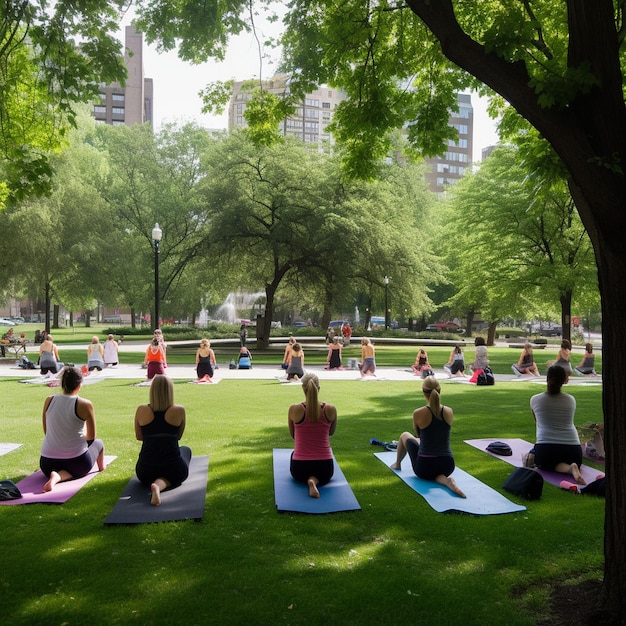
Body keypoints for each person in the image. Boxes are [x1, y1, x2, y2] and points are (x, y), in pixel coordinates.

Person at [390, 376, 466, 498]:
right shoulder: (449, 411)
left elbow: (419, 436)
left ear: (423, 392)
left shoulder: (418, 413)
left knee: (405, 435)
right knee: (437, 474)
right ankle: (447, 481)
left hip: (425, 467)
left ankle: (397, 464)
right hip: (447, 465)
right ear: (439, 390)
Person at [39, 367, 105, 492]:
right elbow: (91, 437)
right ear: (79, 385)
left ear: (62, 384)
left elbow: (47, 431)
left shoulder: (49, 400)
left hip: (47, 464)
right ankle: (101, 467)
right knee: (99, 443)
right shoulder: (85, 404)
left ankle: (56, 476)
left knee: (62, 467)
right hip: (77, 463)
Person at [134, 374, 192, 506]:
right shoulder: (179, 410)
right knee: (185, 450)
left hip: (145, 470)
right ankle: (158, 486)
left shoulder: (142, 410)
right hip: (173, 468)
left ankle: (157, 486)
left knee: (167, 463)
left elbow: (139, 436)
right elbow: (178, 437)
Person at [530, 365, 585, 485]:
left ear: (547, 379)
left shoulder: (535, 399)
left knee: (544, 463)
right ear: (564, 380)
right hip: (573, 450)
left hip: (546, 449)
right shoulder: (571, 400)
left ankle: (570, 468)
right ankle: (570, 468)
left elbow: (537, 421)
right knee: (558, 462)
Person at [288, 372, 337, 498]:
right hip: (325, 469)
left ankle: (310, 480)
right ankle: (314, 480)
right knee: (320, 474)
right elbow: (330, 433)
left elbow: (293, 435)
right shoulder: (330, 409)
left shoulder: (294, 409)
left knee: (293, 453)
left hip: (299, 469)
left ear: (302, 388)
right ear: (318, 388)